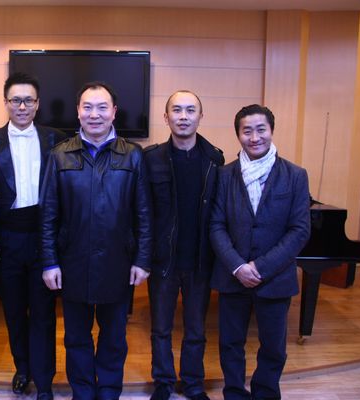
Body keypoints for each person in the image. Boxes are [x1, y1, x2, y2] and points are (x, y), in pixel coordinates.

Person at [40, 81, 152, 400]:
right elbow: (48, 215)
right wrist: (49, 262)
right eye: (87, 107)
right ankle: (83, 393)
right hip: (72, 263)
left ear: (114, 112)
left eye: (102, 107)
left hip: (118, 263)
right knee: (76, 338)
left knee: (114, 338)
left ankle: (109, 392)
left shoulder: (133, 155)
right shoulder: (59, 155)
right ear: (78, 111)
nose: (95, 114)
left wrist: (143, 259)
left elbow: (144, 213)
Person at [0, 72, 66, 400]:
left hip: (44, 238)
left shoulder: (57, 139)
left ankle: (44, 381)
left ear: (38, 104)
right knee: (13, 311)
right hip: (5, 239)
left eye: (28, 100)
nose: (22, 106)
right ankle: (22, 368)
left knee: (43, 314)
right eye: (16, 100)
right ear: (6, 103)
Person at [209, 104, 311, 400]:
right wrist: (238, 266)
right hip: (233, 277)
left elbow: (300, 230)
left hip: (275, 278)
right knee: (230, 343)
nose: (254, 137)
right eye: (247, 131)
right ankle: (234, 393)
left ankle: (265, 393)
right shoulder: (224, 175)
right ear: (238, 135)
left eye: (260, 129)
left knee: (274, 347)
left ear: (271, 131)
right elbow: (216, 225)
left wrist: (260, 267)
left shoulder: (295, 175)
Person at [144, 90, 224, 400]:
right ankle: (163, 383)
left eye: (191, 110)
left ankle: (193, 384)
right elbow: (143, 212)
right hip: (163, 260)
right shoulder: (151, 158)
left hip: (200, 260)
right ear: (166, 118)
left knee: (196, 330)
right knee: (161, 329)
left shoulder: (214, 159)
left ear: (200, 116)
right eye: (176, 110)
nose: (183, 116)